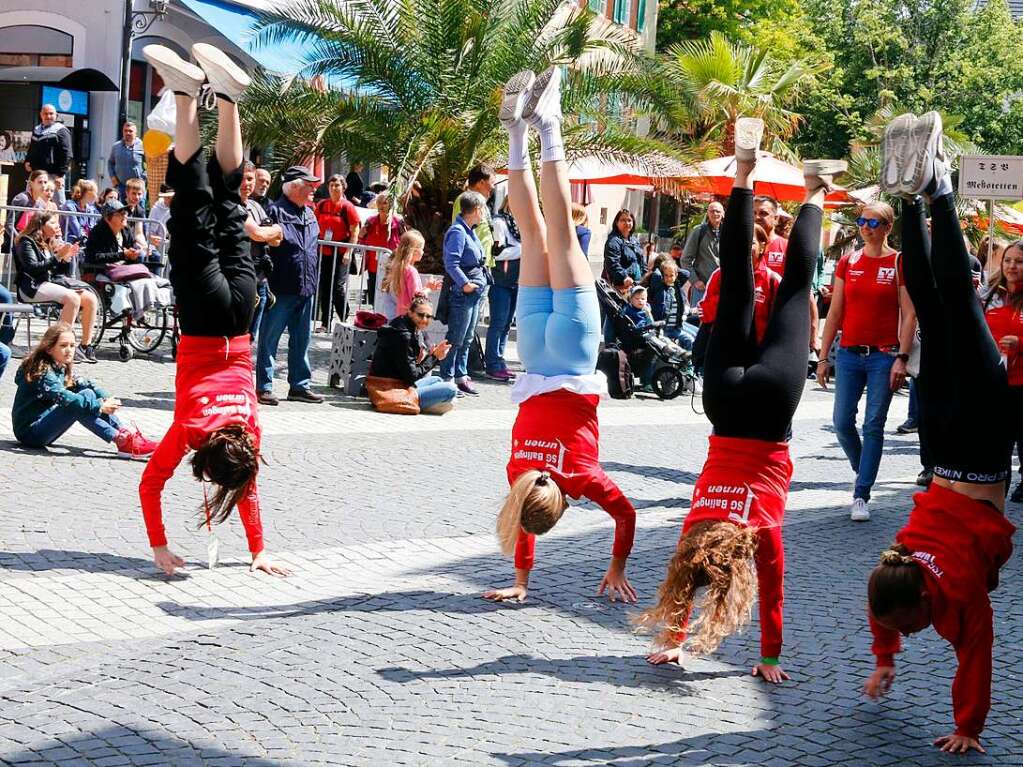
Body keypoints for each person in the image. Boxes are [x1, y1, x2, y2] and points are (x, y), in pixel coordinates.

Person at [637, 117, 843, 684]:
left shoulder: (763, 532)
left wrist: (770, 656)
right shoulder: (696, 524)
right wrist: (674, 636)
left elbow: (773, 590)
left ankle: (815, 190)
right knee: (737, 284)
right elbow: (686, 576)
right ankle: (745, 170)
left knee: (797, 288)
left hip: (772, 409)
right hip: (725, 406)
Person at [864, 111, 1016, 756]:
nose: (915, 631)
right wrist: (886, 657)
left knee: (953, 302)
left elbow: (975, 657)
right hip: (948, 453)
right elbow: (881, 612)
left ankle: (939, 188)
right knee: (938, 304)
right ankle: (917, 197)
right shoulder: (894, 563)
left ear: (926, 597)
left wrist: (967, 729)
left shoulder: (950, 597)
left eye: (911, 626)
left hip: (978, 446)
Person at [483, 67, 638, 605]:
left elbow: (626, 514)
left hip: (571, 354)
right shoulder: (518, 472)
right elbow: (522, 521)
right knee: (533, 232)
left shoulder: (581, 478)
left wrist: (617, 568)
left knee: (561, 229)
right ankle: (517, 133)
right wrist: (519, 580)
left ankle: (548, 123)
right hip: (532, 353)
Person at [139, 41, 291, 578]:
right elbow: (150, 483)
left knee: (228, 202)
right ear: (204, 461)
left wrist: (260, 550)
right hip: (204, 319)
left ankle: (226, 98)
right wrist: (158, 546)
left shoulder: (249, 431)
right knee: (193, 206)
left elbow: (247, 490)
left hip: (242, 320)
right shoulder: (191, 428)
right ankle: (184, 95)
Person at [816, 201, 916, 521]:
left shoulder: (899, 261)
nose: (866, 227)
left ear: (888, 227)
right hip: (848, 354)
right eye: (862, 221)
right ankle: (865, 471)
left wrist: (901, 357)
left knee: (873, 424)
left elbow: (909, 313)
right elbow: (835, 312)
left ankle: (861, 493)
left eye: (874, 223)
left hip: (884, 356)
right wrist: (822, 356)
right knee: (842, 423)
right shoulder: (848, 261)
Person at [12, 322, 156, 456]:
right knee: (76, 403)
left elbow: (85, 383)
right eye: (63, 346)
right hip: (30, 433)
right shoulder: (42, 372)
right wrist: (100, 406)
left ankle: (125, 433)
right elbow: (67, 398)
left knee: (86, 393)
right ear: (49, 348)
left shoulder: (58, 365)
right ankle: (122, 440)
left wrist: (106, 398)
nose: (69, 350)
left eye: (72, 345)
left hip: (43, 425)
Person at [257, 164, 324, 406]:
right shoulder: (274, 211)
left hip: (306, 287)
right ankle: (264, 386)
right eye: (309, 186)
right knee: (269, 338)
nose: (314, 190)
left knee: (302, 340)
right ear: (294, 187)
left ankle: (299, 385)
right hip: (281, 287)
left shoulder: (309, 213)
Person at [14, 211, 99, 364]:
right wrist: (58, 256)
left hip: (49, 284)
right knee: (72, 298)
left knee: (89, 298)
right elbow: (33, 268)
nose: (57, 226)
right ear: (41, 224)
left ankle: (85, 346)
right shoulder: (26, 242)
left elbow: (55, 272)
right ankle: (57, 346)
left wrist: (66, 258)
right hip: (32, 287)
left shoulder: (50, 241)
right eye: (52, 223)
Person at [981, 241, 1023, 502]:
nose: (1011, 266)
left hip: (1022, 384)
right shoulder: (989, 294)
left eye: (1018, 261)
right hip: (994, 382)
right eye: (1008, 260)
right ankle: (997, 494)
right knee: (998, 446)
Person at [369, 296, 457, 414]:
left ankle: (429, 403)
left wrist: (432, 356)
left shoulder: (404, 324)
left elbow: (409, 372)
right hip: (388, 389)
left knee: (437, 380)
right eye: (421, 315)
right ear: (410, 312)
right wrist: (435, 357)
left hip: (398, 383)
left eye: (429, 316)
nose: (425, 320)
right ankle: (420, 404)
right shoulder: (404, 335)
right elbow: (412, 375)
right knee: (451, 390)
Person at [439, 191, 490, 394]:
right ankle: (447, 377)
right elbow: (451, 262)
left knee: (467, 336)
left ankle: (460, 375)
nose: (484, 213)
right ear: (476, 210)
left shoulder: (470, 230)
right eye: (483, 209)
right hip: (463, 294)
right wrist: (465, 283)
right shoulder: (458, 231)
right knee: (456, 336)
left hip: (474, 293)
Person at [697, 224, 780, 344]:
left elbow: (781, 322)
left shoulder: (772, 280)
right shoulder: (720, 275)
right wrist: (730, 296)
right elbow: (705, 314)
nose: (744, 247)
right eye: (740, 242)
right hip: (723, 348)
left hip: (757, 352)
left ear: (762, 247)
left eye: (751, 243)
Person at [240, 163, 281, 343]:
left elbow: (276, 240)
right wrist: (276, 229)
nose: (246, 183)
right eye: (241, 179)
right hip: (238, 280)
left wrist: (271, 233)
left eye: (250, 179)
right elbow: (259, 234)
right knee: (237, 335)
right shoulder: (230, 205)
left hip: (260, 281)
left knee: (250, 338)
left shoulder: (256, 206)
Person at [313, 174, 361, 327]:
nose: (334, 188)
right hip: (324, 251)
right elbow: (314, 225)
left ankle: (344, 316)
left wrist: (349, 251)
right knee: (325, 286)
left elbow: (355, 232)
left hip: (341, 253)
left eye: (337, 185)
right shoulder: (321, 205)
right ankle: (325, 322)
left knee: (338, 287)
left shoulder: (348, 207)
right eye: (331, 185)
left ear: (343, 188)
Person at [486, 198, 522, 381]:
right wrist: (524, 250)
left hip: (515, 281)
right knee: (498, 323)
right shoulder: (499, 222)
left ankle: (499, 361)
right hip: (501, 280)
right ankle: (492, 364)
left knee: (506, 325)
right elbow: (496, 252)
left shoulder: (518, 223)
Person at [380, 229, 442, 319]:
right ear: (414, 251)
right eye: (421, 249)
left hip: (397, 318)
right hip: (408, 319)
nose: (423, 252)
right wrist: (429, 288)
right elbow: (416, 297)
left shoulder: (397, 267)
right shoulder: (411, 271)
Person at [359, 191, 404, 307]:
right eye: (379, 203)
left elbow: (405, 241)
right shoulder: (371, 221)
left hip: (391, 265)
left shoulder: (398, 222)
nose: (381, 206)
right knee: (374, 293)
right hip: (374, 265)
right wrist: (360, 235)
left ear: (391, 204)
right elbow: (362, 239)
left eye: (385, 203)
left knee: (389, 295)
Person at [25, 104, 72, 205]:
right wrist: (27, 160)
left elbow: (67, 153)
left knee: (58, 204)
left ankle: (59, 221)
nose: (48, 116)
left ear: (56, 115)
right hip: (36, 173)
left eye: (51, 114)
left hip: (53, 175)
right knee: (30, 201)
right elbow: (32, 148)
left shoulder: (61, 130)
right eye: (45, 114)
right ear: (41, 115)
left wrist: (60, 174)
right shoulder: (37, 130)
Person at [646, 259, 697, 349]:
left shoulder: (677, 286)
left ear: (676, 275)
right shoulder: (660, 288)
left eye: (671, 275)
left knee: (697, 334)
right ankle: (689, 362)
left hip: (676, 325)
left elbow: (686, 273)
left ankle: (691, 360)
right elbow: (656, 276)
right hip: (664, 328)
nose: (669, 278)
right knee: (690, 340)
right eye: (666, 275)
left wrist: (673, 268)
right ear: (662, 275)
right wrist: (664, 269)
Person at [682, 201, 723, 305]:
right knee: (696, 319)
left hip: (721, 289)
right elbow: (685, 259)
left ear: (723, 213)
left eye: (718, 211)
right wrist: (695, 280)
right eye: (712, 211)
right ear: (707, 213)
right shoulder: (699, 231)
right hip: (702, 288)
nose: (715, 214)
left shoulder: (729, 233)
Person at [108, 121, 146, 200]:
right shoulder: (116, 146)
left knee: (138, 211)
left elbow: (150, 164)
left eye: (130, 131)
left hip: (137, 188)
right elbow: (110, 162)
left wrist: (143, 178)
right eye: (125, 130)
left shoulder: (143, 146)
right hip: (121, 186)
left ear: (136, 133)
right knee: (121, 210)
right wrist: (112, 177)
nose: (127, 133)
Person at [61, 179, 99, 243]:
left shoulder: (91, 209)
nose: (96, 196)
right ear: (88, 193)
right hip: (70, 242)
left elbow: (92, 229)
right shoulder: (69, 206)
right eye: (95, 193)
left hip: (85, 242)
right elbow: (77, 230)